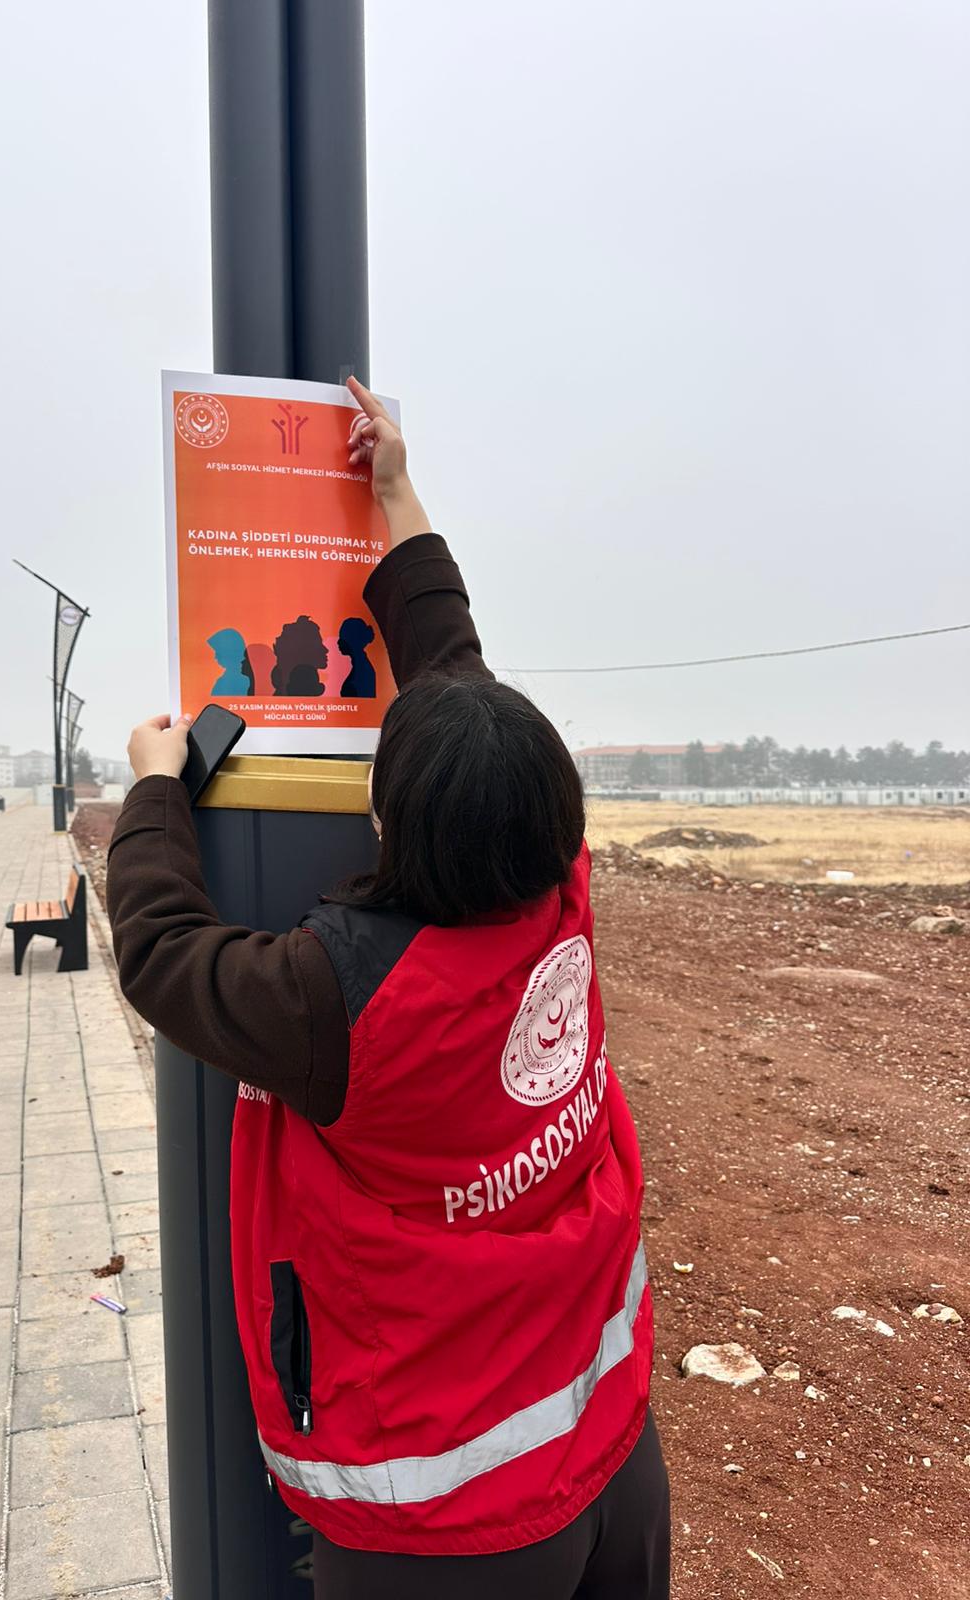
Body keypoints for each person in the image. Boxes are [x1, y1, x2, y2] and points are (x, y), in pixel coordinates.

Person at [107, 376, 669, 1600]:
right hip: (605, 1437)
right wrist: (397, 493)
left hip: (447, 1515)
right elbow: (456, 671)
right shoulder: (554, 884)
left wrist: (157, 787)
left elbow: (162, 955)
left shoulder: (339, 998)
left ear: (391, 817)